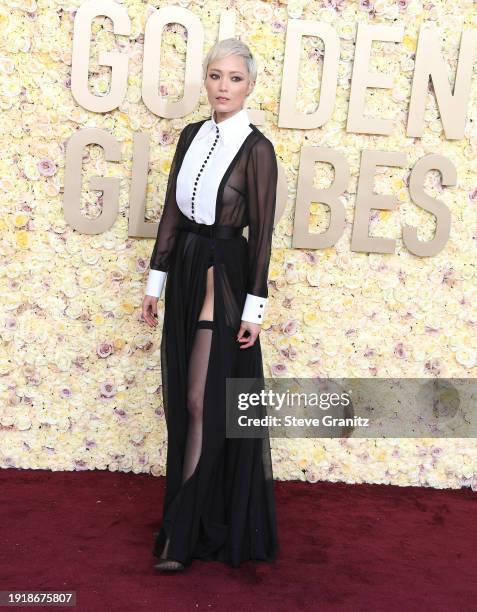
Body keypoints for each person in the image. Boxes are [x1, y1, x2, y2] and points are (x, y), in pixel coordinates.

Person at [142, 37, 279, 571]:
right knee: (184, 397)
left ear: (250, 85)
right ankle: (190, 514)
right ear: (207, 80)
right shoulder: (192, 135)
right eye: (216, 76)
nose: (224, 87)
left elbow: (264, 235)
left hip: (224, 271)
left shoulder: (257, 148)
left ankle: (184, 526)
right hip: (185, 269)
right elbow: (172, 214)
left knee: (202, 398)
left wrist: (254, 309)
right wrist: (154, 283)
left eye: (235, 79)